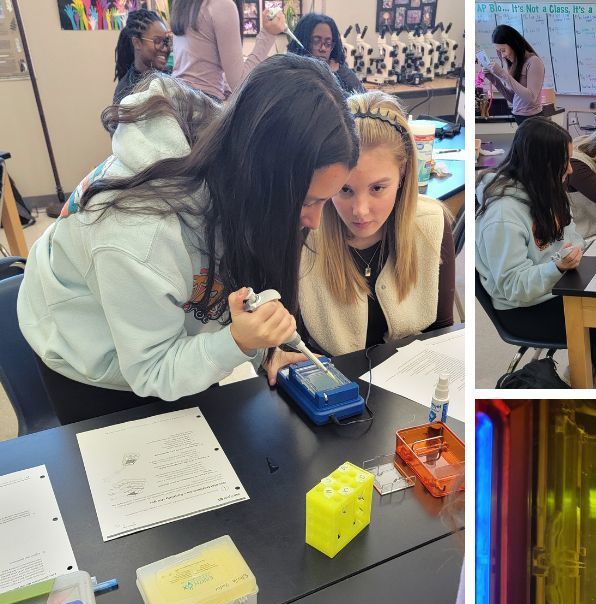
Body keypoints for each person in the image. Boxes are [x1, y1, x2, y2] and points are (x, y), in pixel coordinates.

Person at [18, 56, 359, 424]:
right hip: (91, 353)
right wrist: (236, 342)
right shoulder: (139, 235)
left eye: (325, 199)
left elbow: (234, 278)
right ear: (261, 179)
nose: (315, 222)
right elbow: (151, 369)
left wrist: (263, 348)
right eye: (306, 202)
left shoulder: (237, 152)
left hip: (167, 326)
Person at [476, 118, 596, 388]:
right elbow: (513, 287)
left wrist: (577, 254)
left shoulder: (545, 191)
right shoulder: (502, 217)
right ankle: (583, 380)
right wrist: (557, 267)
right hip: (523, 309)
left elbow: (571, 238)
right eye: (565, 162)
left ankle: (589, 373)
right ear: (543, 164)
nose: (570, 169)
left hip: (558, 286)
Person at [298, 92, 454, 356]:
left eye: (378, 188)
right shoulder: (303, 233)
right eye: (344, 189)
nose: (360, 211)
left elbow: (441, 332)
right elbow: (292, 347)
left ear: (403, 173)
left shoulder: (432, 224)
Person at [171, 0, 286, 101]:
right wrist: (268, 34)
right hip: (202, 107)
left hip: (175, 101)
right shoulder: (222, 5)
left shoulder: (182, 4)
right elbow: (239, 84)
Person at [480, 25, 545, 126]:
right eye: (499, 52)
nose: (502, 55)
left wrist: (502, 74)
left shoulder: (534, 62)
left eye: (503, 50)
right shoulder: (514, 64)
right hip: (520, 118)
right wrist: (493, 78)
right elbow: (513, 98)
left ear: (513, 44)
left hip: (533, 120)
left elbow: (531, 98)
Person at [288, 13, 363, 94]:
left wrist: (338, 71)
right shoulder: (290, 74)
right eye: (316, 41)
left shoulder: (340, 70)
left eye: (328, 43)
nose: (323, 48)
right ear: (302, 42)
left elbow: (364, 97)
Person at [112, 9, 171, 106]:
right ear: (137, 43)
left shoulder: (171, 77)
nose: (165, 49)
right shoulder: (125, 91)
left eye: (166, 41)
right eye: (157, 41)